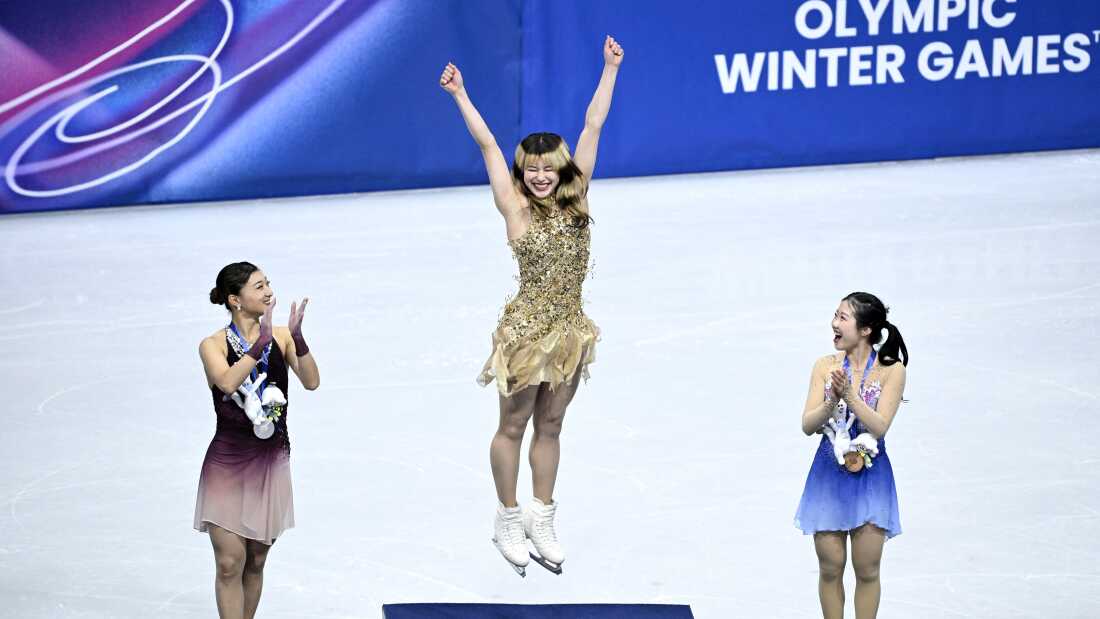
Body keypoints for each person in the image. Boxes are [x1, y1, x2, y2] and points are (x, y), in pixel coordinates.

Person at [439, 35, 624, 576]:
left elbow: (593, 125)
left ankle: (542, 516)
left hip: (569, 332)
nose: (541, 177)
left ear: (563, 170)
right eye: (532, 169)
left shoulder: (580, 196)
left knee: (552, 427)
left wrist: (610, 68)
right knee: (514, 427)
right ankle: (508, 515)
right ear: (523, 173)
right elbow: (489, 146)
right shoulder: (514, 209)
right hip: (525, 334)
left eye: (549, 169)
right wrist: (460, 94)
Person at [195, 262, 319, 618]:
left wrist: (297, 339)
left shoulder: (280, 336)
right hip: (227, 464)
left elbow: (311, 381)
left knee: (256, 560)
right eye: (258, 286)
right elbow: (228, 383)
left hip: (271, 462)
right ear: (235, 299)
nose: (268, 292)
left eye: (268, 284)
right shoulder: (212, 345)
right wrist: (257, 346)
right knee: (229, 564)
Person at [795, 292, 909, 618]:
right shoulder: (825, 367)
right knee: (830, 568)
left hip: (872, 477)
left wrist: (850, 396)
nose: (834, 323)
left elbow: (880, 425)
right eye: (835, 314)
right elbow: (807, 425)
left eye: (843, 317)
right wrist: (831, 400)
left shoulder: (891, 370)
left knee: (867, 570)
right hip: (829, 475)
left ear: (866, 329)